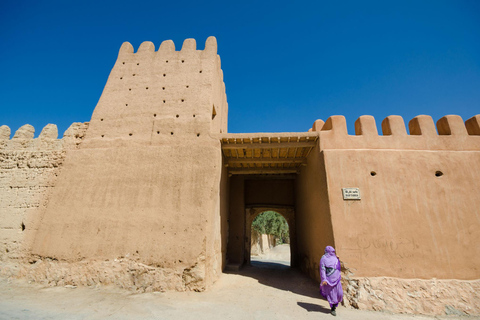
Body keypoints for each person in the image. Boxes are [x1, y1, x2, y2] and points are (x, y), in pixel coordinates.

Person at [320, 246, 343, 316]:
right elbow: (322, 269)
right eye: (332, 252)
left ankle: (335, 304)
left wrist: (338, 259)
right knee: (332, 295)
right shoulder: (323, 258)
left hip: (337, 279)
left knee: (340, 294)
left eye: (334, 252)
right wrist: (324, 279)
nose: (333, 253)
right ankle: (333, 308)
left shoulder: (335, 257)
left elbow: (337, 266)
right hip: (329, 280)